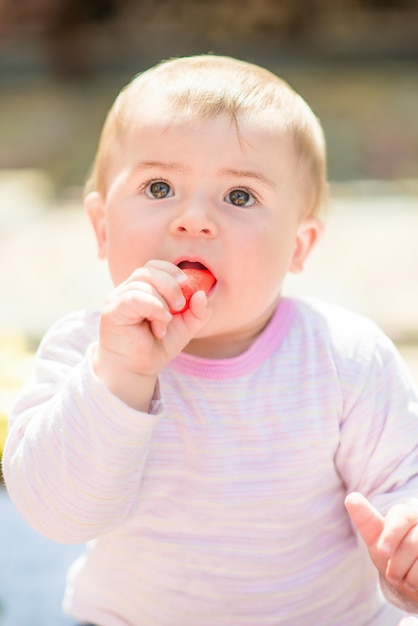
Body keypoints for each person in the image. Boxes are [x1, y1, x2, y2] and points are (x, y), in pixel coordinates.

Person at [3, 54, 418, 626]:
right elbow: (57, 516)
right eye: (158, 186)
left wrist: (405, 544)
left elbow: (403, 482)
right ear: (101, 227)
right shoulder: (84, 351)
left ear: (299, 246)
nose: (193, 220)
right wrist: (119, 376)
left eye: (240, 196)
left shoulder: (346, 357)